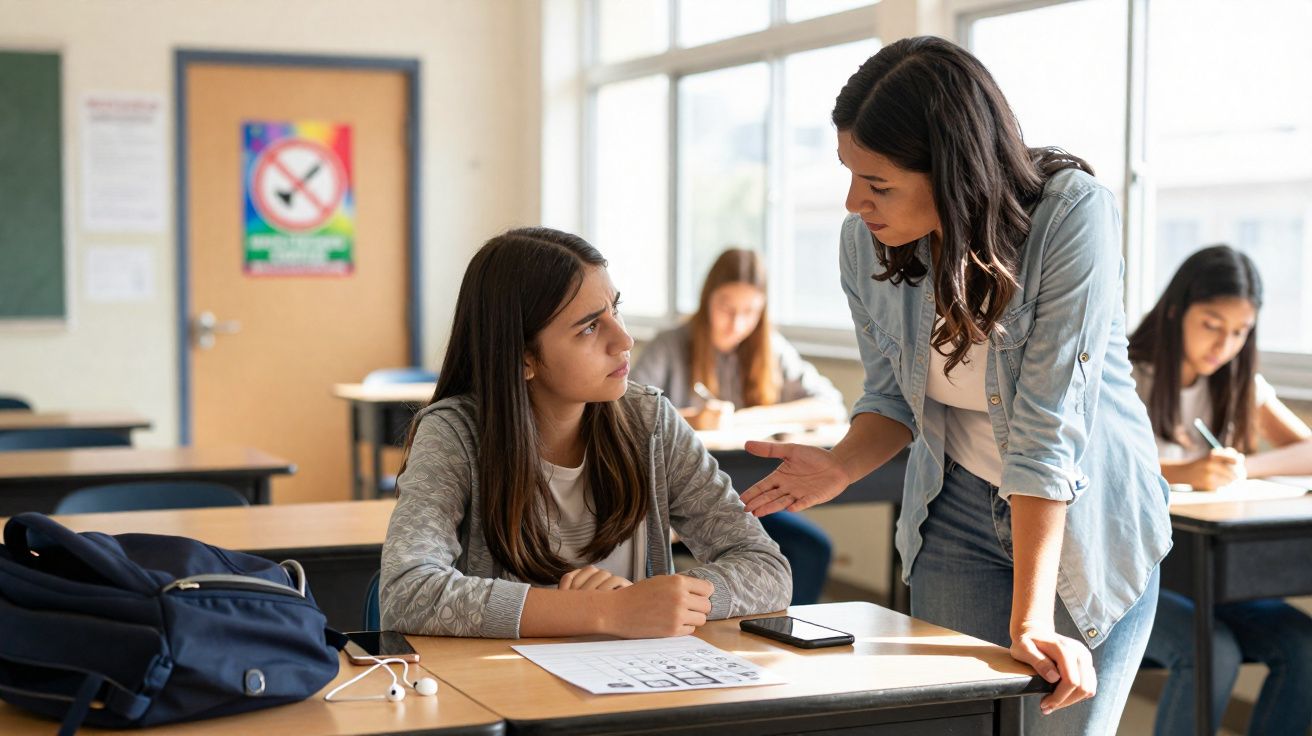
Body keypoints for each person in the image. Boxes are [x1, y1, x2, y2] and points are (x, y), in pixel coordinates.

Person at [738, 37, 1171, 732]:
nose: (855, 203)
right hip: (955, 511)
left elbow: (1046, 430)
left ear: (953, 171)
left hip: (1082, 528)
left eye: (879, 185)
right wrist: (840, 467)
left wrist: (1029, 620)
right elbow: (890, 397)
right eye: (851, 173)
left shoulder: (1070, 215)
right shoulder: (866, 245)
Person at [379, 227, 790, 639]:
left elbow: (765, 567)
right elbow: (408, 594)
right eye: (590, 328)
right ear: (523, 359)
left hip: (634, 681)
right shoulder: (454, 435)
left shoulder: (650, 421)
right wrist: (603, 611)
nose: (624, 339)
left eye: (616, 309)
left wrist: (664, 600)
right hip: (504, 689)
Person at [1128, 244, 1312, 736]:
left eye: (1239, 332)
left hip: (1206, 570)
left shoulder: (1236, 380)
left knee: (1305, 647)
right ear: (1175, 310)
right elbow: (1101, 469)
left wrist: (1245, 464)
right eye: (1212, 324)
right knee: (1213, 652)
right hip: (1134, 573)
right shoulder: (1124, 371)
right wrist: (1187, 470)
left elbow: (1309, 451)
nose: (1224, 344)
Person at [632, 248, 846, 605]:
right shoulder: (670, 345)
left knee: (812, 549)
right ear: (706, 300)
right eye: (726, 309)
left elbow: (830, 405)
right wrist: (689, 419)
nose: (736, 323)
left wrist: (740, 419)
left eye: (750, 312)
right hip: (682, 505)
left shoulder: (771, 348)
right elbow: (626, 414)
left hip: (745, 501)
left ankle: (781, 638)